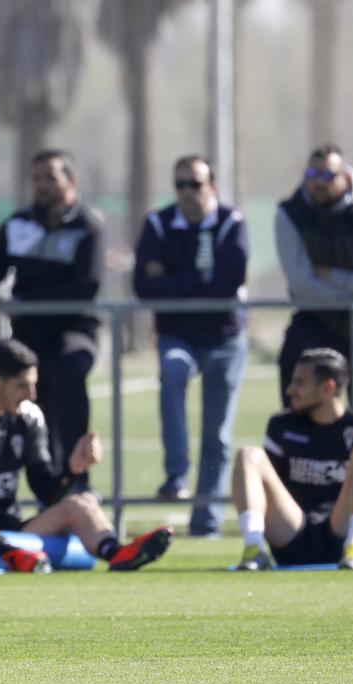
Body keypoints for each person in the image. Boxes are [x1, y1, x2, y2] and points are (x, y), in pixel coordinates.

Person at [0, 339, 174, 573]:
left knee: (82, 501)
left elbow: (44, 490)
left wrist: (71, 470)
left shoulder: (29, 416)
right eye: (22, 385)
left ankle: (117, 552)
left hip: (10, 534)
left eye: (33, 384)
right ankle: (6, 552)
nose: (32, 394)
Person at [0, 150, 103, 490]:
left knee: (67, 372)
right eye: (37, 178)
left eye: (51, 178)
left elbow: (85, 287)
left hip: (73, 332)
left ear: (71, 182)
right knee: (15, 393)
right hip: (28, 336)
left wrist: (23, 302)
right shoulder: (18, 224)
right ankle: (23, 489)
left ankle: (77, 482)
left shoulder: (88, 226)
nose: (42, 186)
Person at [133, 155, 249, 536]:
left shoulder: (231, 222)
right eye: (180, 185)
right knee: (171, 372)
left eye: (195, 185)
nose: (187, 193)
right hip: (178, 335)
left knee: (217, 435)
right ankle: (176, 475)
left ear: (211, 186)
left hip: (225, 338)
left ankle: (207, 523)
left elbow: (229, 282)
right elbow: (144, 286)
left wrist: (174, 280)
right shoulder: (159, 224)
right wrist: (199, 278)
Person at [232, 348, 353, 570]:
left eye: (300, 383)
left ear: (328, 388)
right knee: (248, 455)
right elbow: (269, 491)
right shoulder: (282, 425)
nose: (290, 390)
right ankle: (254, 549)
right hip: (294, 532)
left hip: (344, 530)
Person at [275, 143, 353, 415]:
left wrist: (333, 275)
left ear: (344, 177)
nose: (318, 183)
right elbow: (302, 287)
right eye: (312, 175)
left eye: (327, 176)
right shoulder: (290, 213)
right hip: (318, 321)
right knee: (297, 405)